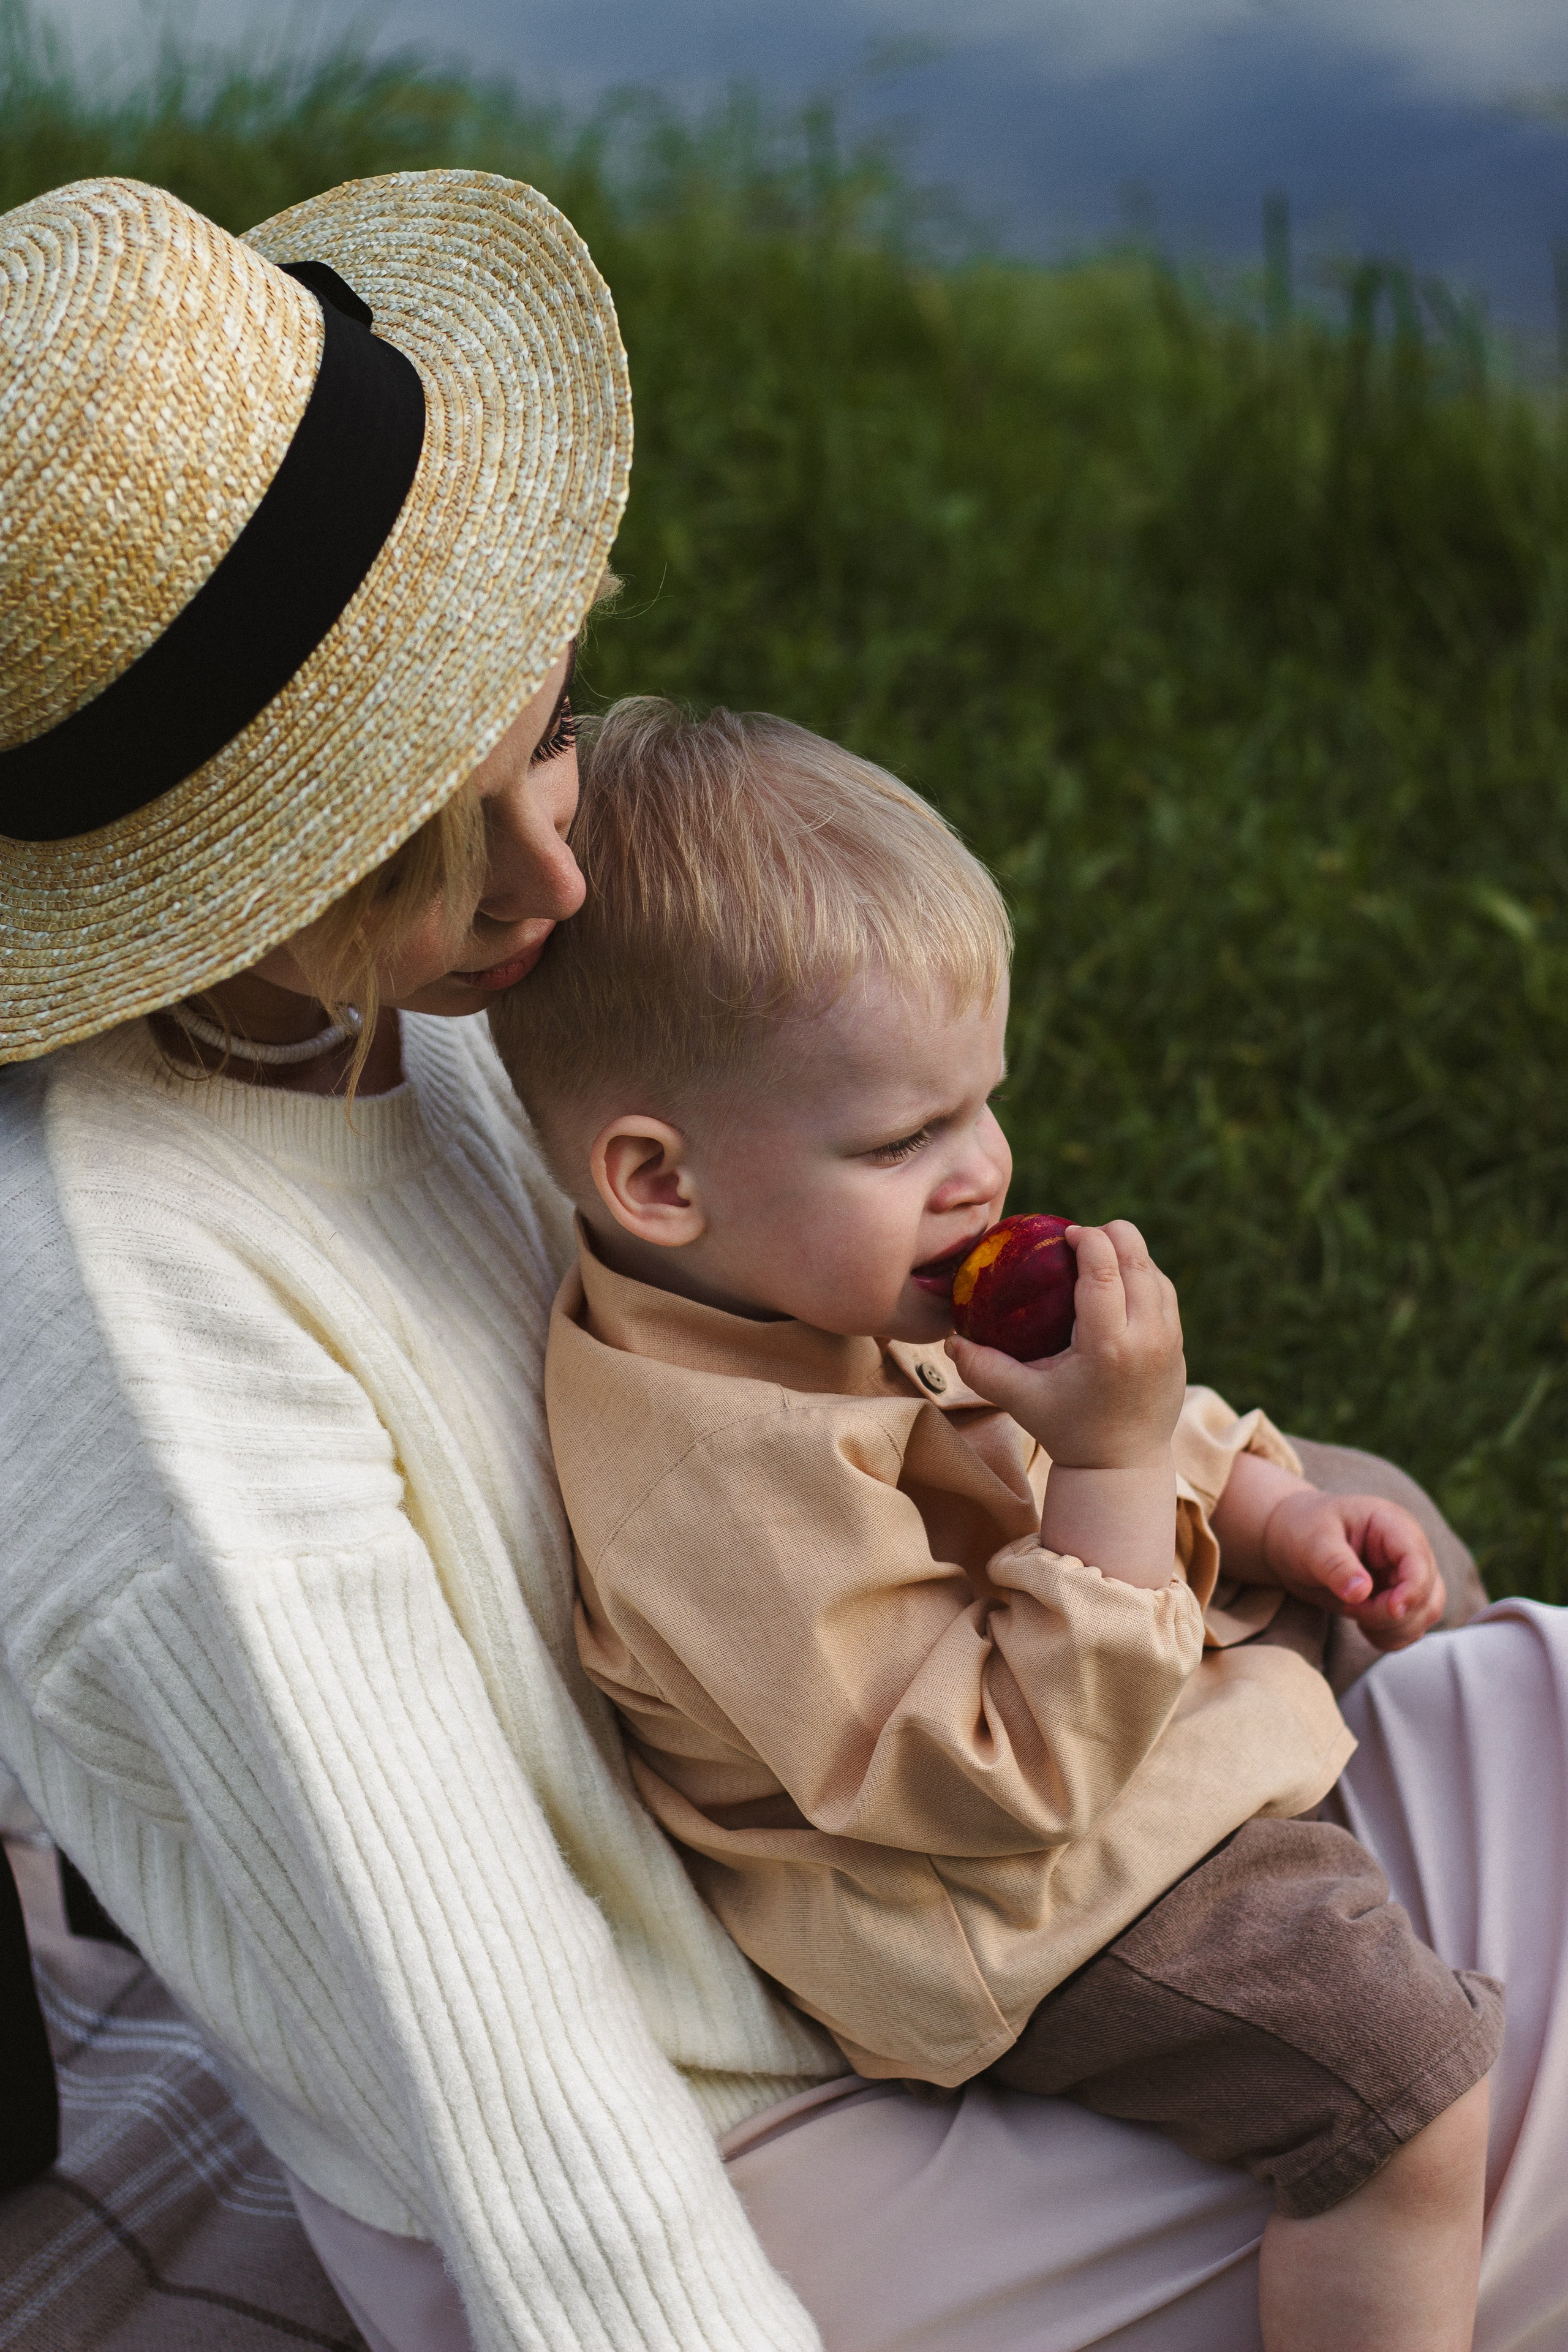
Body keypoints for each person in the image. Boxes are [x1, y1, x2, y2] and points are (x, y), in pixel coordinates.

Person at [1, 168, 1565, 2352]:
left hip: (849, 1854)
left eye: (545, 725)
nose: (562, 857)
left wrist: (1205, 1483)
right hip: (740, 2132)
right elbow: (502, 2055)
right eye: (449, 826)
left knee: (1456, 1604)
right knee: (1461, 2078)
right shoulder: (149, 1353)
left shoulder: (380, 1007)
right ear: (253, 862)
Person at [489, 699, 1499, 2352]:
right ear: (656, 1180)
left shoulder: (796, 1263)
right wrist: (1110, 1474)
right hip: (1040, 1907)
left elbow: (1070, 1436)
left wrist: (1267, 1504)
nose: (985, 1172)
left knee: (1378, 1508)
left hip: (1113, 1700)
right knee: (1401, 2084)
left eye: (980, 1105)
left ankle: (1424, 1708)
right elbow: (992, 1779)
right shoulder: (713, 1493)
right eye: (904, 1138)